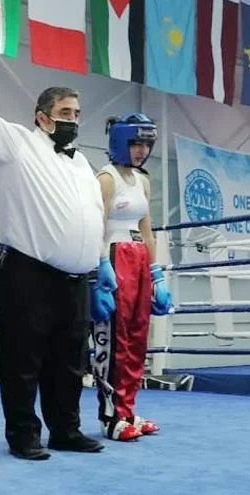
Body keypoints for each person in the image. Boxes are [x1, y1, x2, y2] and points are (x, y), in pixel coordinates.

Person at [0, 83, 106, 459]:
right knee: (22, 360)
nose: (72, 120)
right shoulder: (19, 143)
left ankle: (66, 430)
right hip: (28, 273)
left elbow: (93, 215)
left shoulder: (81, 163)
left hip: (76, 279)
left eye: (76, 114)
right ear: (42, 118)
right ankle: (23, 435)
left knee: (70, 362)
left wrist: (101, 262)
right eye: (64, 113)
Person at [89, 113, 173, 441]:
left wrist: (157, 274)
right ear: (120, 141)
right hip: (114, 255)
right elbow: (96, 227)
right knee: (116, 340)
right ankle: (111, 417)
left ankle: (128, 410)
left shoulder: (142, 181)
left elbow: (147, 230)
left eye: (146, 145)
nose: (141, 151)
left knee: (137, 339)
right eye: (136, 143)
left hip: (138, 258)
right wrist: (100, 267)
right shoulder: (105, 179)